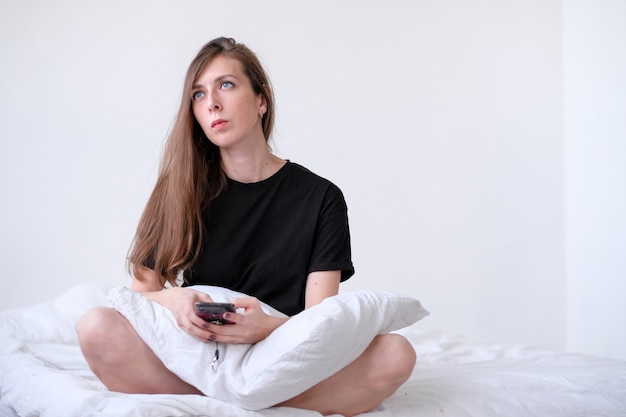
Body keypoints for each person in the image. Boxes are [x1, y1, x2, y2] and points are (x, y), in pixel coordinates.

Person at [76, 37, 416, 417]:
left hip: (282, 349)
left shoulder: (321, 198)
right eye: (198, 95)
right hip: (200, 351)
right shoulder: (179, 188)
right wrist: (175, 300)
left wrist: (265, 328)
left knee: (395, 354)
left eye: (226, 84)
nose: (212, 104)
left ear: (261, 99)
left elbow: (322, 325)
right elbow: (141, 295)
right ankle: (250, 401)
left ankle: (216, 401)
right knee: (96, 327)